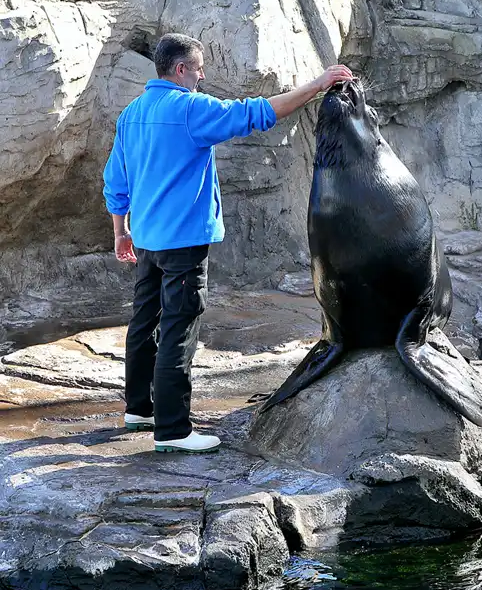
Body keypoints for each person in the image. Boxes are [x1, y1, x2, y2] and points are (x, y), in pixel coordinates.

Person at [103, 32, 353, 454]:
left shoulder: (132, 114)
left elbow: (115, 181)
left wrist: (120, 232)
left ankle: (139, 409)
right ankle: (173, 430)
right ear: (180, 69)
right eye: (199, 69)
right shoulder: (190, 109)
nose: (202, 77)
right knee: (179, 328)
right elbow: (257, 113)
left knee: (144, 322)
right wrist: (317, 85)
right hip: (183, 242)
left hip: (146, 239)